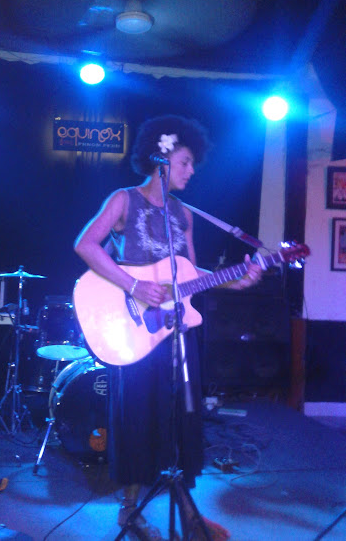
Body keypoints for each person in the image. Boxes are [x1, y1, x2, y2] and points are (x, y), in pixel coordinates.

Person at [74, 114, 262, 540]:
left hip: (176, 331)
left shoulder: (184, 214)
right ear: (160, 159)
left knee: (181, 418)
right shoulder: (123, 200)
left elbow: (192, 274)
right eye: (185, 162)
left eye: (193, 163)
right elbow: (85, 245)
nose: (191, 171)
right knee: (137, 417)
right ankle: (129, 511)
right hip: (133, 327)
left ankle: (187, 511)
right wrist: (134, 284)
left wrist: (238, 278)